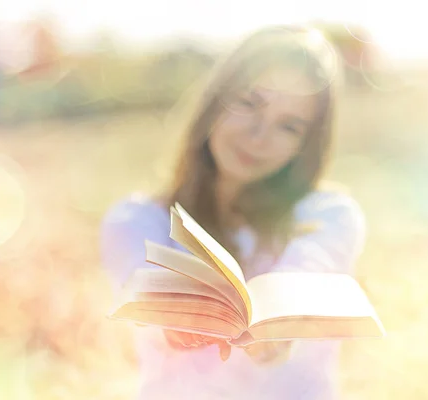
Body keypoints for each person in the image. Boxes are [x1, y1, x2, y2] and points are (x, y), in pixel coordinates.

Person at [100, 24, 367, 400]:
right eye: (248, 103)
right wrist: (181, 317)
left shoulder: (330, 214)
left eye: (288, 126)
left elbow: (311, 264)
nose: (258, 136)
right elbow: (142, 285)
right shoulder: (135, 219)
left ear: (305, 145)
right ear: (215, 101)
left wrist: (283, 312)